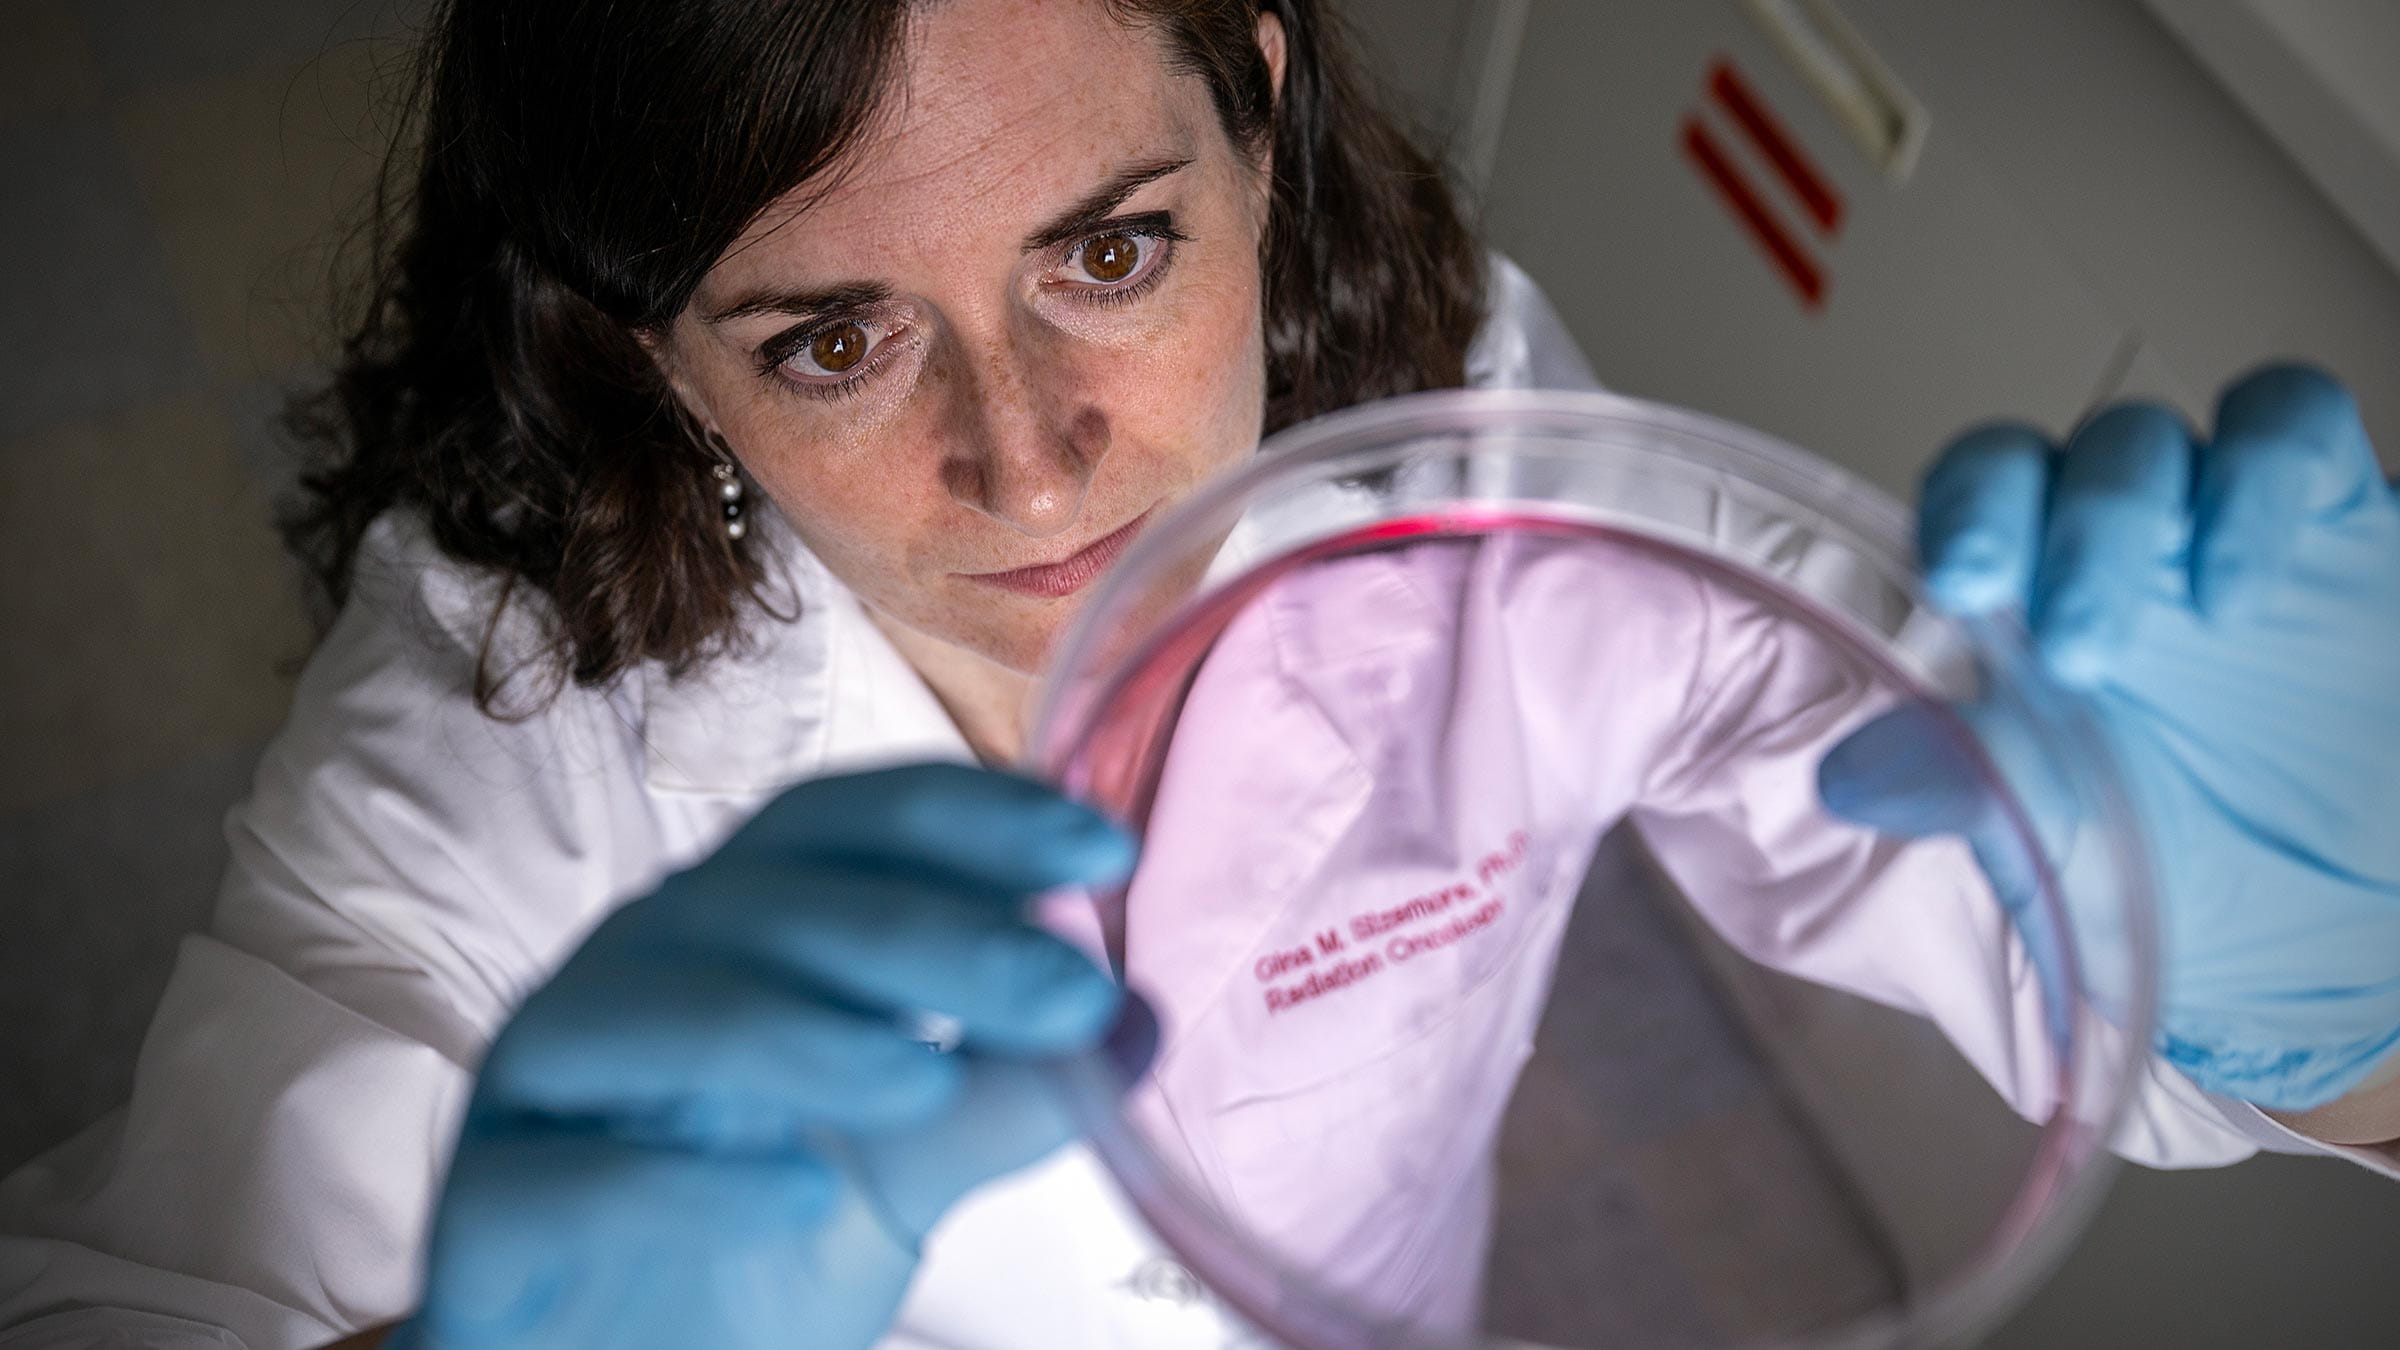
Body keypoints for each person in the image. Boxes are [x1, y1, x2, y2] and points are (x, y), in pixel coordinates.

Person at [0, 1, 2392, 1347]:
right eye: (833, 337)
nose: (1029, 461)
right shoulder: (485, 748)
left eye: (1117, 252)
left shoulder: (1458, 427)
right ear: (649, 357)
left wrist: (2355, 981)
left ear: (1257, 93)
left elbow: (1925, 799)